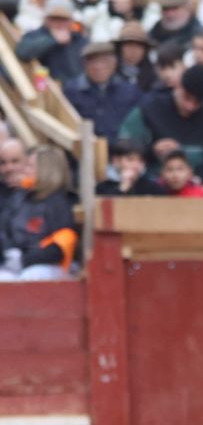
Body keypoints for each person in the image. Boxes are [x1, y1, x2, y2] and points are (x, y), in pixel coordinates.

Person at [118, 64, 203, 180]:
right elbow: (124, 147)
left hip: (196, 184)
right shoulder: (150, 108)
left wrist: (189, 173)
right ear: (177, 86)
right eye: (186, 97)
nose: (190, 106)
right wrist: (152, 150)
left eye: (197, 102)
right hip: (152, 181)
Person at [0, 145, 77, 281]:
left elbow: (61, 246)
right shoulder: (19, 197)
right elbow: (4, 229)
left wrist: (25, 259)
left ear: (45, 171)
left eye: (30, 166)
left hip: (49, 265)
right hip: (16, 262)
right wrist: (8, 253)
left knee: (30, 277)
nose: (24, 170)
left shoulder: (57, 202)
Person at [64, 40, 141, 137]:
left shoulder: (130, 91)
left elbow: (137, 127)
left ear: (115, 62)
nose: (99, 66)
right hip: (85, 147)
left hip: (123, 149)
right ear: (84, 65)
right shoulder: (71, 90)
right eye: (92, 61)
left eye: (105, 61)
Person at [17, 0, 87, 81]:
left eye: (64, 19)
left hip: (76, 90)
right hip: (46, 89)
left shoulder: (79, 40)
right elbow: (23, 52)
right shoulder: (34, 35)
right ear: (46, 19)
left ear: (71, 20)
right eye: (54, 18)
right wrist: (52, 40)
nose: (59, 23)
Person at [96, 138, 164, 196]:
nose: (136, 165)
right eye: (130, 160)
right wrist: (122, 188)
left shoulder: (152, 188)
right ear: (116, 161)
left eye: (140, 161)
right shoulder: (103, 188)